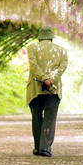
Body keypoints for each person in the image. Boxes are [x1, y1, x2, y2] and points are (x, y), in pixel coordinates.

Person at [26, 28, 68, 157]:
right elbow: (62, 67)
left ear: (39, 38)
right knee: (50, 118)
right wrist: (51, 79)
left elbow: (33, 66)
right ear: (51, 38)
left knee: (36, 118)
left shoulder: (32, 48)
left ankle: (38, 148)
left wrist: (43, 78)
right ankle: (45, 148)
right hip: (53, 89)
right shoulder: (62, 50)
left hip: (35, 88)